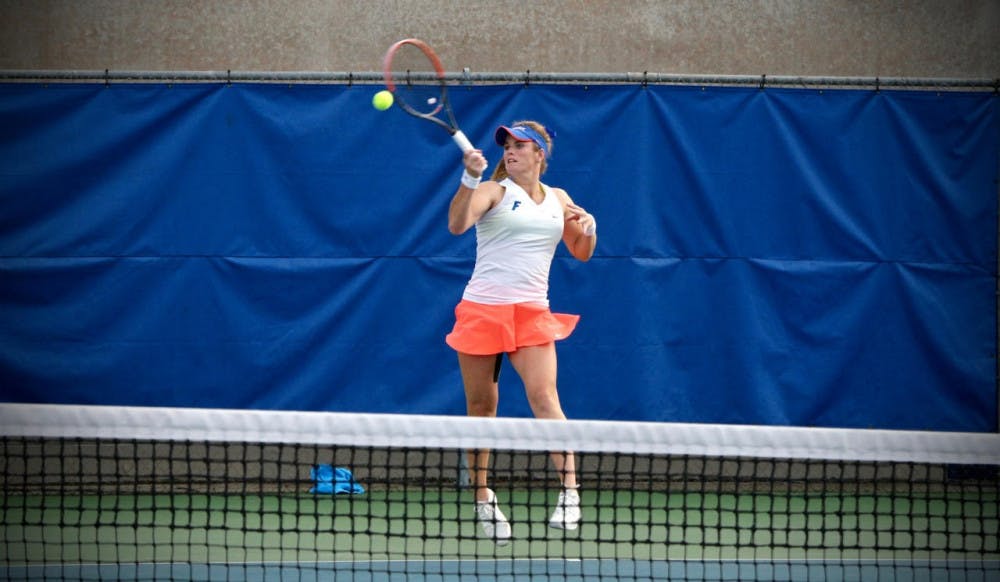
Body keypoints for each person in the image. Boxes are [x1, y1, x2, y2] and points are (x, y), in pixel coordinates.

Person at [445, 121, 597, 544]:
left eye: (519, 146)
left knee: (545, 397)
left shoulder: (558, 199)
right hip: (482, 310)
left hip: (532, 312)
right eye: (507, 146)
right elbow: (457, 224)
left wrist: (589, 230)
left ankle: (570, 491)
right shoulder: (494, 191)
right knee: (482, 408)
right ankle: (482, 496)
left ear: (539, 155)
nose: (510, 152)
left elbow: (581, 252)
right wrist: (470, 177)